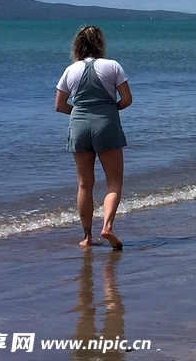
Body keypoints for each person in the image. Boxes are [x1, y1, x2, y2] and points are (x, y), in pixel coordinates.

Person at [55, 26, 132, 250]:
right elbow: (127, 99)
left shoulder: (71, 70)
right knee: (114, 182)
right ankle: (107, 226)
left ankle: (87, 237)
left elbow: (59, 105)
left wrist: (80, 114)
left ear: (77, 45)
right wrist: (109, 111)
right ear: (100, 43)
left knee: (84, 184)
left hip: (79, 125)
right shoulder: (112, 66)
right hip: (106, 123)